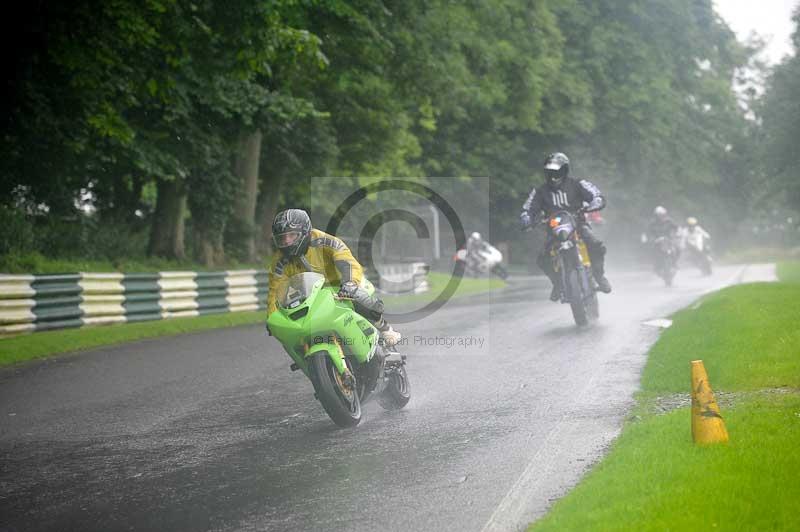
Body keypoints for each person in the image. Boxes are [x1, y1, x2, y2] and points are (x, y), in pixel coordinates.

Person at [267, 208, 401, 346]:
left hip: (341, 287)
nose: (287, 241)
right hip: (310, 297)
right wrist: (272, 317)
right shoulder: (279, 261)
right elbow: (275, 291)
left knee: (358, 295)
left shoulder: (326, 241)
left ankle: (385, 328)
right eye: (282, 238)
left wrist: (350, 283)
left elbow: (347, 262)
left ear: (305, 231)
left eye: (292, 235)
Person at [519, 152, 612, 301]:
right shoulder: (540, 191)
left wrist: (597, 201)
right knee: (543, 258)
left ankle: (599, 276)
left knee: (596, 245)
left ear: (565, 170)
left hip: (579, 225)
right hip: (554, 230)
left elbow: (596, 195)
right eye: (550, 171)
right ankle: (557, 283)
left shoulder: (578, 183)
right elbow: (528, 208)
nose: (553, 175)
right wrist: (526, 218)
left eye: (556, 171)